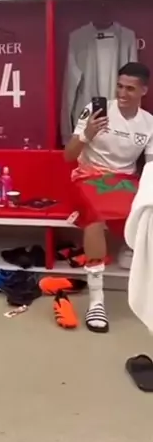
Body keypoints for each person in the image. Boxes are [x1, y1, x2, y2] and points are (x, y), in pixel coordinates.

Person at [64, 61, 153, 333]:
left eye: (130, 89)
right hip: (89, 175)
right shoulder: (96, 111)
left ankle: (135, 256)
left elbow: (150, 168)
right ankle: (96, 300)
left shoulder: (149, 123)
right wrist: (87, 134)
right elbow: (68, 155)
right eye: (119, 86)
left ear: (144, 91)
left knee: (148, 207)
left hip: (125, 181)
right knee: (94, 216)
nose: (122, 93)